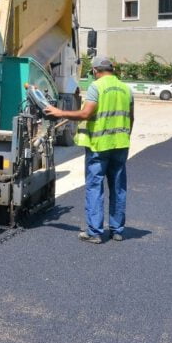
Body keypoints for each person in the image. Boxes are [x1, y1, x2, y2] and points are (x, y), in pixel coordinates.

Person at [44, 56, 134, 243]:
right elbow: (131, 118)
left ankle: (95, 232)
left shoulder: (96, 87)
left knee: (95, 187)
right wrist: (124, 136)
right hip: (120, 144)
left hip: (98, 146)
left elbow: (86, 113)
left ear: (95, 71)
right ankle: (117, 230)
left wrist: (59, 112)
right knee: (118, 188)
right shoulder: (126, 89)